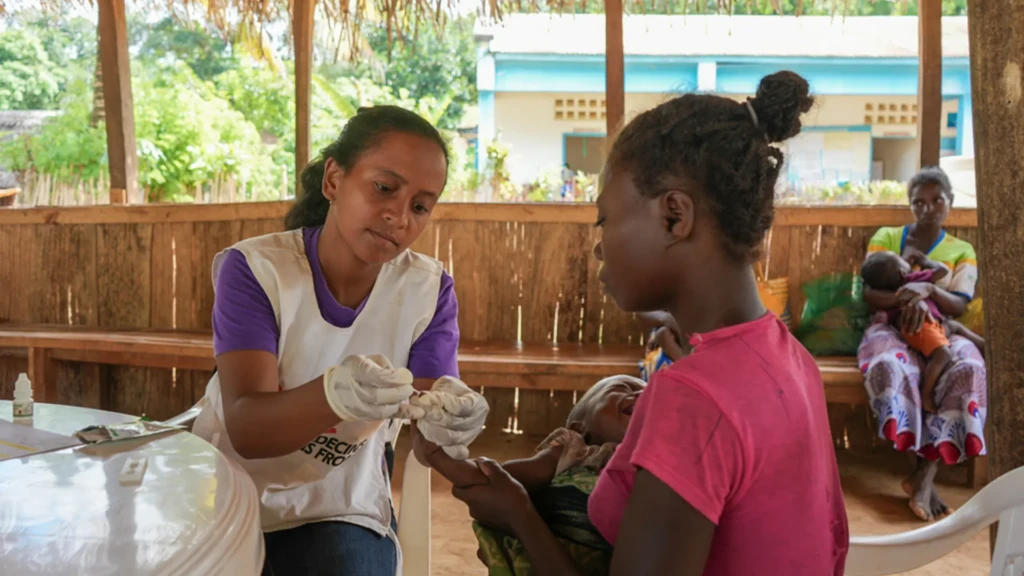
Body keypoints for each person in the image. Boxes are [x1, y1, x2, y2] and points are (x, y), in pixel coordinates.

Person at [449, 71, 849, 576]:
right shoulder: (790, 359)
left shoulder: (693, 400)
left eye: (605, 219)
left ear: (674, 216)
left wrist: (519, 517)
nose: (599, 243)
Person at [190, 105, 489, 576]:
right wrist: (335, 395)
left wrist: (448, 426)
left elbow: (426, 427)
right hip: (231, 498)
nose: (398, 216)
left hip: (341, 508)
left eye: (420, 206)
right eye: (384, 188)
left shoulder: (426, 291)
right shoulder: (258, 271)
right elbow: (247, 429)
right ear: (334, 180)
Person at [415, 375, 645, 575]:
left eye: (650, 397)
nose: (642, 394)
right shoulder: (572, 450)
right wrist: (438, 454)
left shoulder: (651, 468)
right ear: (580, 428)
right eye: (623, 388)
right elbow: (494, 479)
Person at [859, 166, 986, 522]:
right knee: (893, 366)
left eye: (936, 200)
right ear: (910, 205)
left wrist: (928, 291)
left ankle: (924, 480)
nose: (928, 208)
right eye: (919, 202)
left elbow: (959, 302)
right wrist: (907, 300)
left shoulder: (962, 250)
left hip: (942, 325)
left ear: (950, 203)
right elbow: (869, 292)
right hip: (891, 325)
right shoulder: (887, 238)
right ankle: (920, 480)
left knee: (967, 370)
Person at [859, 250, 952, 413]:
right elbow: (943, 271)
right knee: (943, 355)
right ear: (902, 272)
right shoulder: (911, 281)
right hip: (923, 327)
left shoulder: (884, 295)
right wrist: (925, 261)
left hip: (921, 327)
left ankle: (986, 347)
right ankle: (926, 394)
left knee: (955, 327)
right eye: (901, 260)